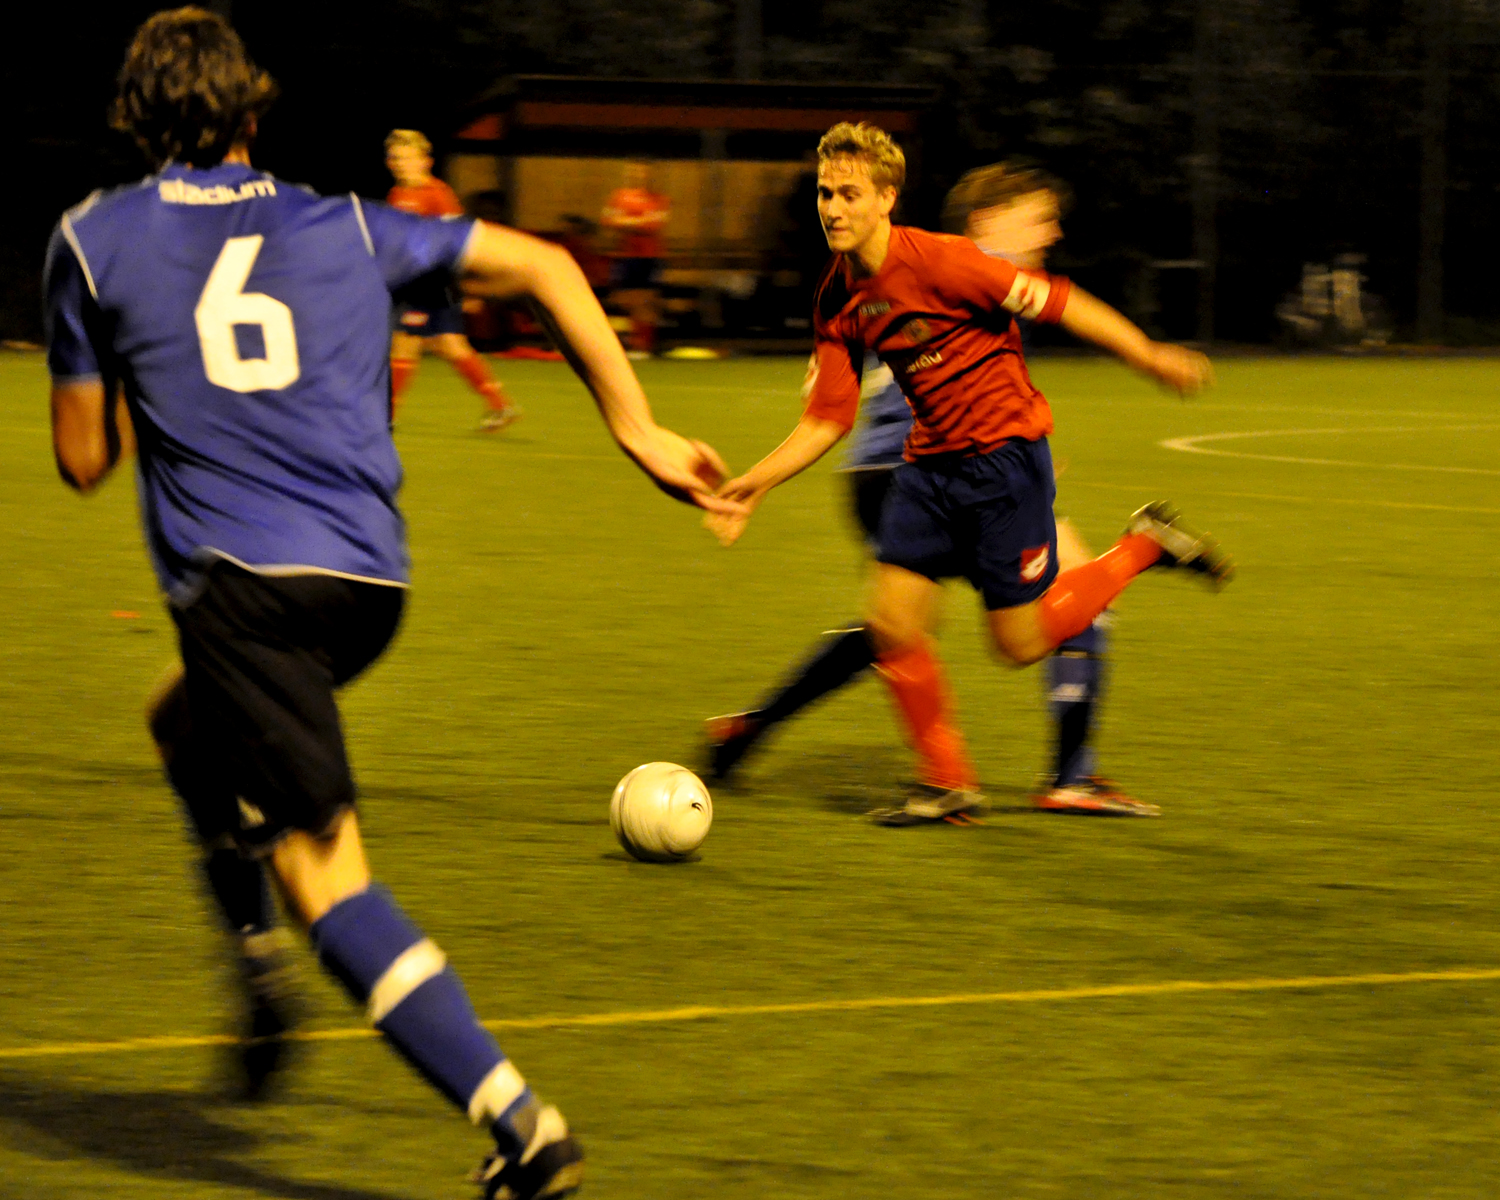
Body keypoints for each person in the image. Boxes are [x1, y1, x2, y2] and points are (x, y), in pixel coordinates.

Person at [45, 10, 739, 1197]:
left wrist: (130, 359)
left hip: (246, 592)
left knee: (328, 875)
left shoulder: (92, 238)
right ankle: (254, 958)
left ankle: (523, 1127)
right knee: (181, 726)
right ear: (253, 113)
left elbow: (83, 460)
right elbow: (549, 266)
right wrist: (639, 430)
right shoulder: (353, 222)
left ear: (136, 121)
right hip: (369, 581)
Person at [705, 122, 1231, 827]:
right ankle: (947, 786)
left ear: (886, 198)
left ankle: (1142, 548)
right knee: (892, 625)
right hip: (926, 468)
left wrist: (1148, 355)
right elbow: (827, 417)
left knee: (1018, 646)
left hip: (1002, 465)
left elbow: (1059, 300)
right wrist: (755, 482)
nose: (832, 208)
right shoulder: (837, 295)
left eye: (849, 194)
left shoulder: (945, 261)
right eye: (825, 193)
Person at [385, 128, 522, 431]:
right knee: (450, 345)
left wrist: (466, 288)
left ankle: (387, 416)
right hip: (417, 281)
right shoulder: (397, 195)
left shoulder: (438, 194)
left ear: (426, 161)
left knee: (405, 345)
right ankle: (500, 405)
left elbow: (456, 242)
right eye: (395, 158)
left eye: (407, 158)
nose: (400, 164)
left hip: (431, 283)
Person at [601, 162, 670, 358]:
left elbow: (654, 224)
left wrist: (626, 222)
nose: (639, 176)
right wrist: (639, 222)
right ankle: (628, 342)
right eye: (635, 171)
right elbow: (608, 220)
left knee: (646, 300)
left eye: (642, 172)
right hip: (626, 256)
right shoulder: (619, 196)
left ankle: (644, 345)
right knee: (624, 300)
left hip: (649, 257)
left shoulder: (659, 199)